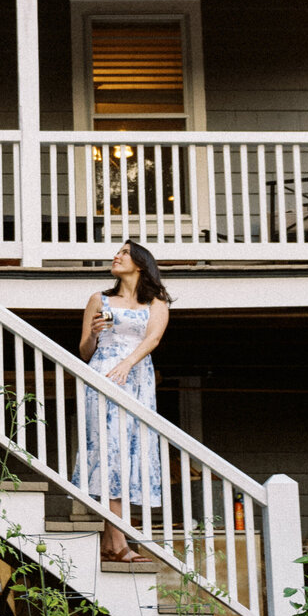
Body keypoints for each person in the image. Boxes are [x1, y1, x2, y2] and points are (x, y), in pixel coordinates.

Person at [78, 240, 171, 562]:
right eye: (117, 252)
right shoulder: (98, 299)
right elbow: (85, 351)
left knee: (130, 452)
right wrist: (93, 332)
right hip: (103, 374)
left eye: (124, 253)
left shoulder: (156, 302)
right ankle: (119, 544)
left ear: (141, 264)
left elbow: (154, 338)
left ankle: (111, 541)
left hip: (137, 378)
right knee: (109, 452)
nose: (116, 256)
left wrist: (128, 363)